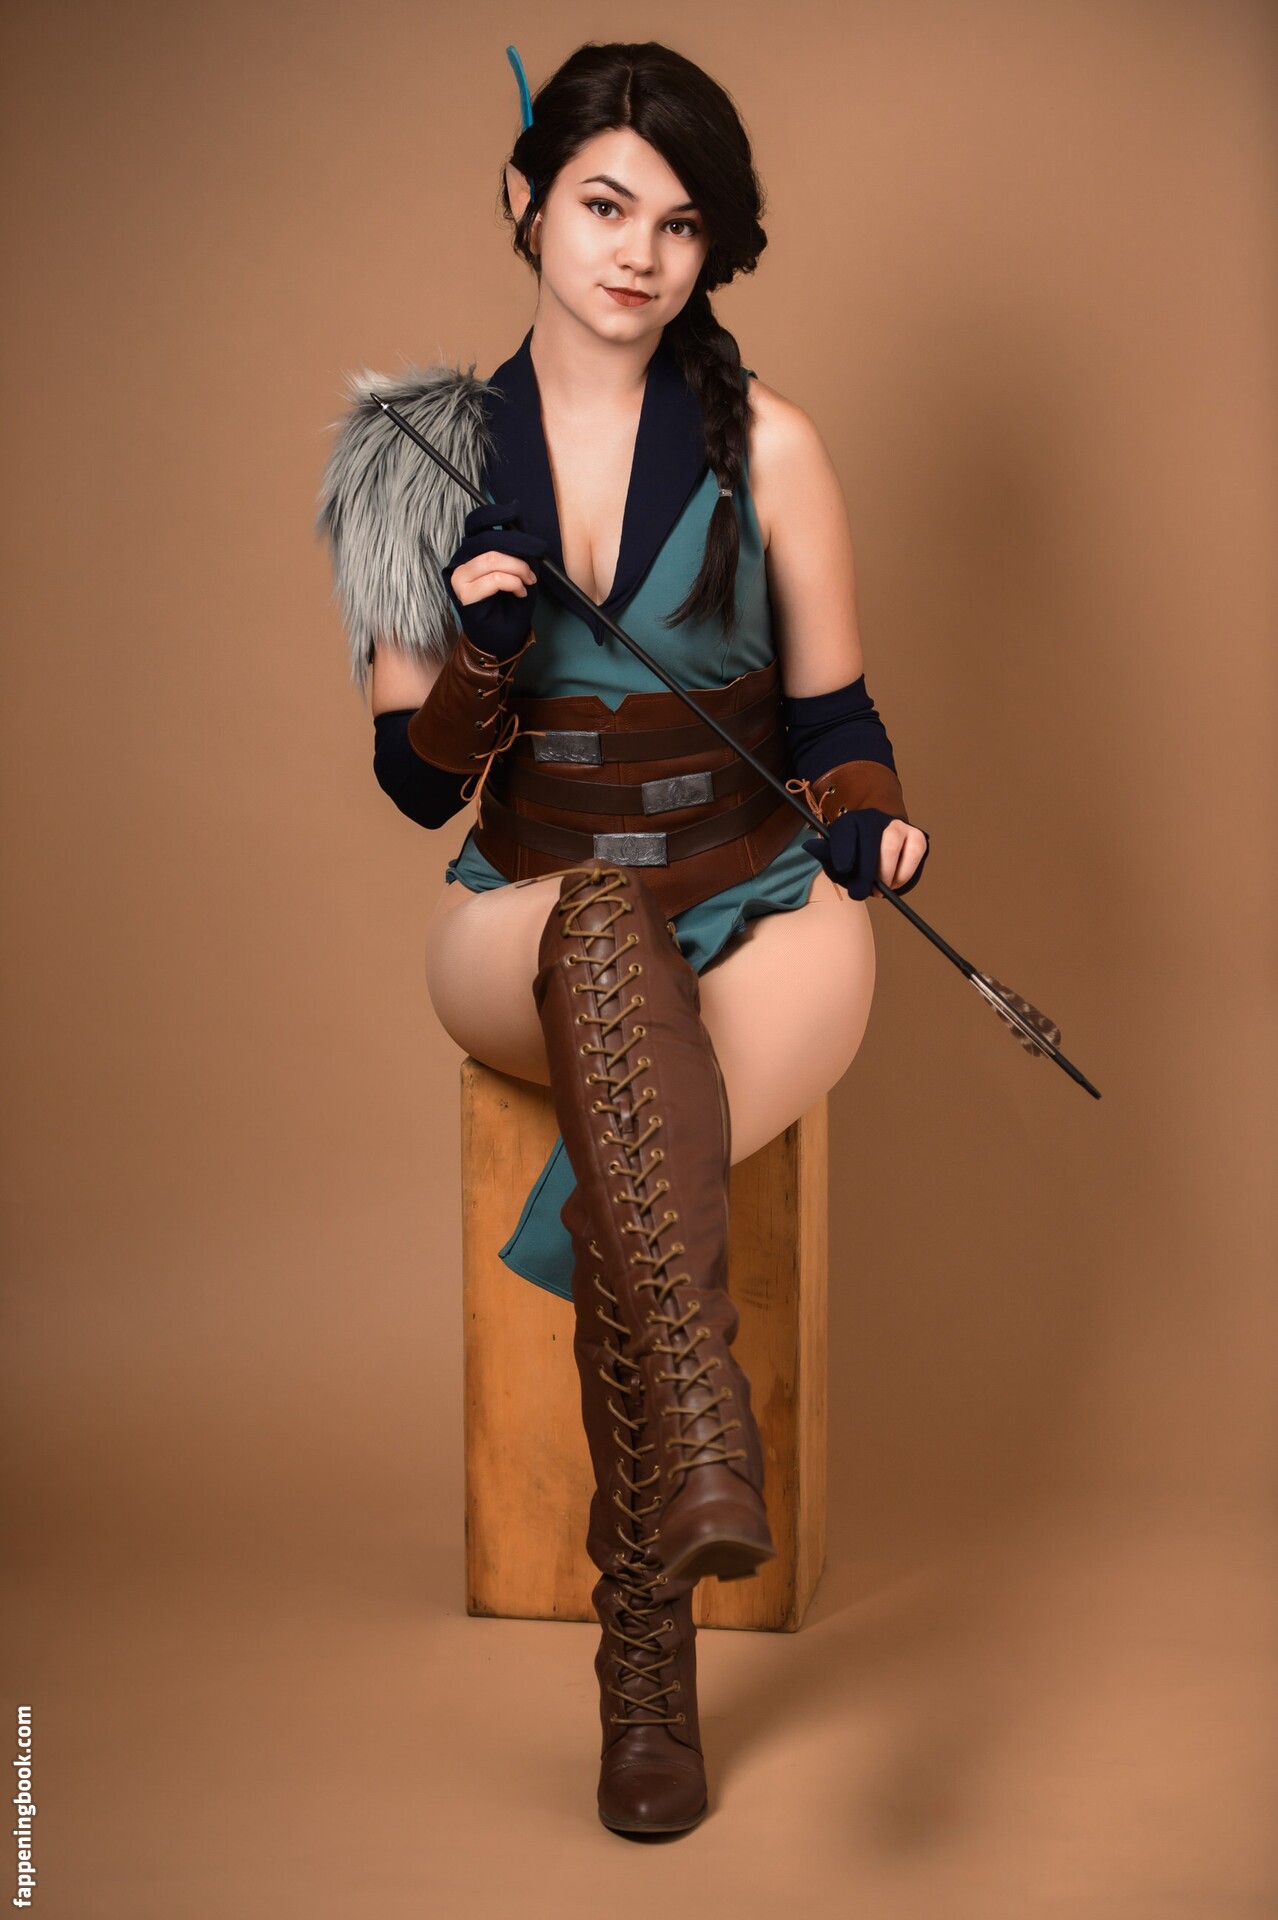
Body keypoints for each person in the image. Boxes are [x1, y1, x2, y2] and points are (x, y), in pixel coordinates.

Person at [318, 39, 929, 1839]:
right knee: (596, 935)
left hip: (755, 909)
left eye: (676, 224)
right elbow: (413, 787)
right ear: (524, 201)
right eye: (601, 205)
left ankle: (643, 1666)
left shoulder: (771, 443)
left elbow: (837, 719)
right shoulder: (413, 456)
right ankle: (698, 1435)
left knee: (641, 1085)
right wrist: (481, 651)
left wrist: (868, 815)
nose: (635, 254)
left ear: (709, 248)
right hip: (524, 914)